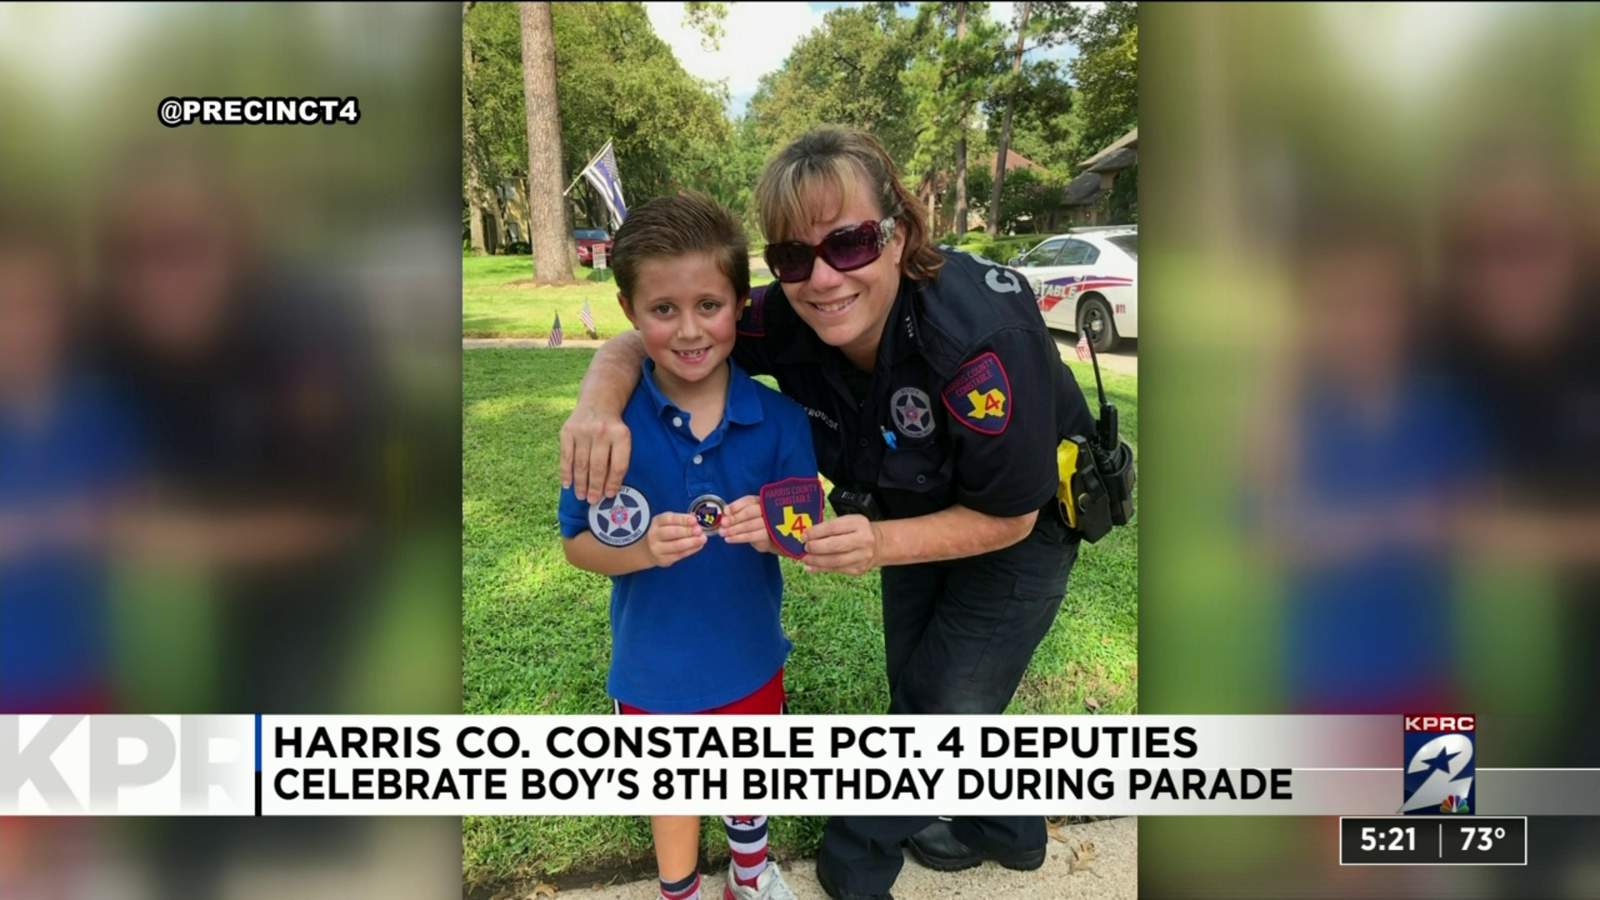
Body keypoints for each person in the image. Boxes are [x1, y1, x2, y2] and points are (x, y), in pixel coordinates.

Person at [560, 128, 1101, 900]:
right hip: (906, 504)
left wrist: (877, 541)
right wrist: (595, 407)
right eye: (790, 257)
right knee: (924, 678)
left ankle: (856, 860)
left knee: (943, 698)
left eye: (848, 242)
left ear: (900, 234)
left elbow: (1013, 515)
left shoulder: (984, 340)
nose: (821, 279)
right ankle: (1002, 829)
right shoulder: (784, 313)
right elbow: (649, 334)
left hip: (1019, 521)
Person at [557, 192, 817, 900]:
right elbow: (577, 543)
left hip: (751, 653)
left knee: (748, 776)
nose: (690, 329)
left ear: (741, 304)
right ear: (630, 314)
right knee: (672, 795)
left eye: (710, 304)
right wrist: (641, 550)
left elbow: (806, 532)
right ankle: (681, 893)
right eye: (663, 309)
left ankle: (749, 877)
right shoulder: (610, 431)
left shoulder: (780, 420)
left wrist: (779, 534)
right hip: (652, 665)